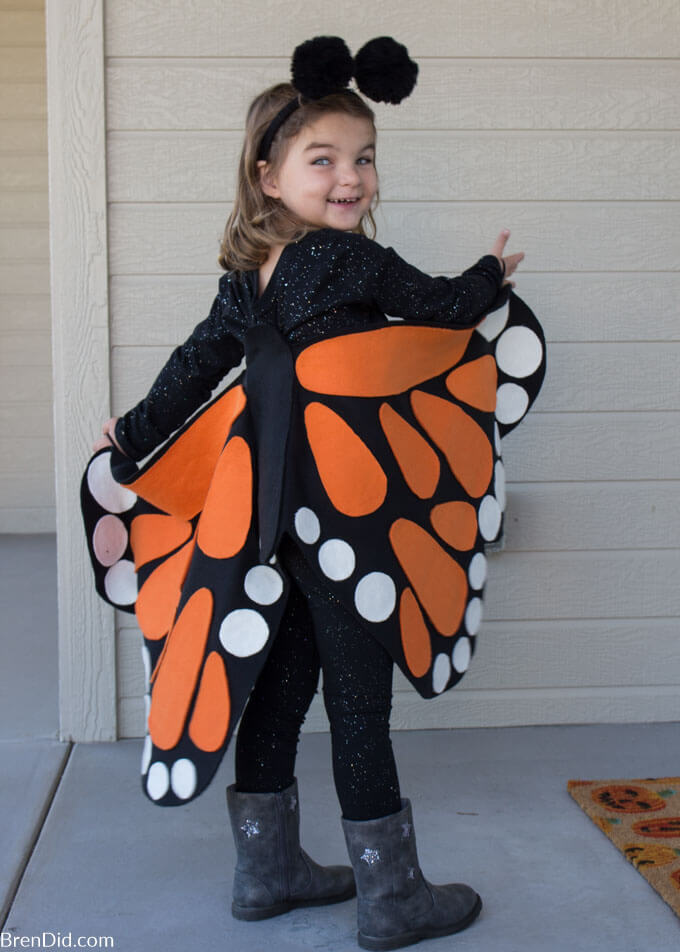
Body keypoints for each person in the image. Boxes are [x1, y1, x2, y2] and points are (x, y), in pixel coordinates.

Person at [89, 36, 532, 951]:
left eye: (364, 159)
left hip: (261, 534)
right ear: (268, 176)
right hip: (350, 530)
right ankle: (392, 896)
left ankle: (268, 873)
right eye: (323, 160)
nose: (351, 179)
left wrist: (129, 438)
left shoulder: (241, 285)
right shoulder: (353, 263)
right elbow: (444, 308)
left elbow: (187, 376)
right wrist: (491, 278)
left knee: (278, 693)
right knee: (360, 706)